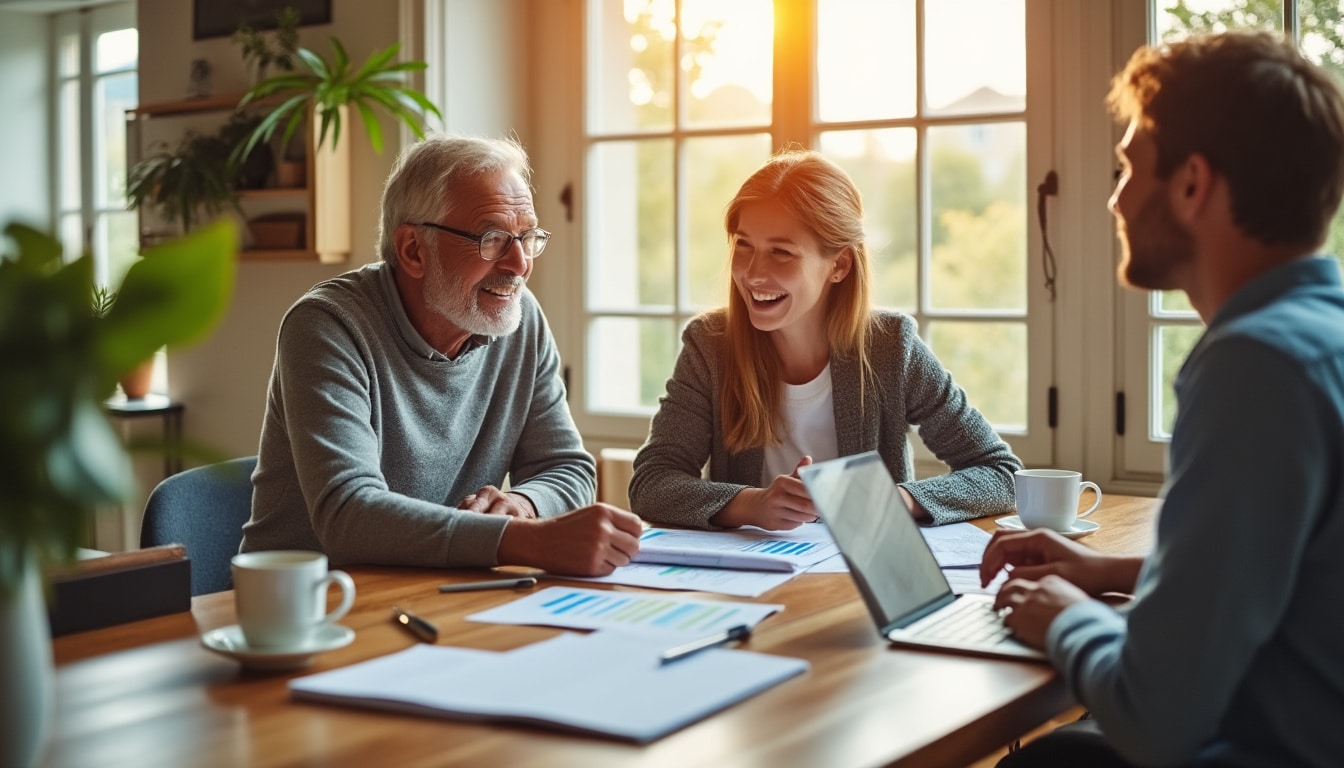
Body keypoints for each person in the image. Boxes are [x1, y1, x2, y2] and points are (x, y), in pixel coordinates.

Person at [982, 31, 1344, 767]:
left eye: (1126, 167)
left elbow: (1156, 718)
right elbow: (1293, 578)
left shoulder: (1257, 365)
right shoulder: (1321, 333)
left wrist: (1065, 619)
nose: (1114, 199)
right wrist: (1108, 574)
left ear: (1191, 184)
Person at [241, 135, 642, 576]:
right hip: (307, 607)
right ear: (414, 249)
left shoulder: (520, 319)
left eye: (527, 237)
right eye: (492, 238)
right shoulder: (327, 326)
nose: (519, 263)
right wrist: (522, 540)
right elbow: (349, 515)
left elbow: (567, 467)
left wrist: (523, 504)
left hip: (435, 589)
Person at [628, 149, 1022, 530]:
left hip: (860, 583)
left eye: (781, 252)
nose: (752, 273)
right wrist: (752, 504)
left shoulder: (890, 348)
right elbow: (652, 483)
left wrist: (897, 499)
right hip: (753, 580)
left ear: (839, 265)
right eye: (744, 245)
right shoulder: (710, 346)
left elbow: (1001, 473)